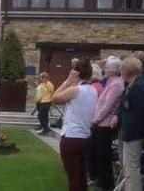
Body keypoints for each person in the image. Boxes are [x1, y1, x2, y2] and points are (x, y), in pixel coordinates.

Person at [52, 59, 98, 191]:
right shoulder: (93, 90)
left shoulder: (75, 90)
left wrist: (67, 81)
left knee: (73, 177)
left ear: (76, 73)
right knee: (82, 176)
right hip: (85, 137)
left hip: (71, 137)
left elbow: (54, 98)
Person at [111, 57, 144, 191]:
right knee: (129, 169)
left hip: (135, 134)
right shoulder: (133, 85)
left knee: (132, 170)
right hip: (130, 133)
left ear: (126, 71)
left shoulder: (139, 87)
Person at [89, 56, 124, 191]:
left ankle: (106, 184)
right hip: (100, 123)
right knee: (97, 153)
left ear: (113, 70)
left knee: (104, 156)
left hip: (105, 124)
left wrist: (96, 120)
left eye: (107, 68)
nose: (104, 70)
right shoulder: (110, 82)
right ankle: (99, 180)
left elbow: (108, 105)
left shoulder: (116, 84)